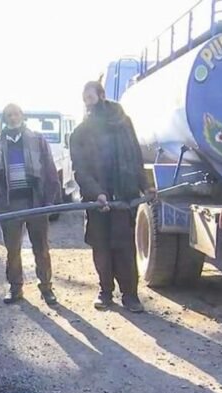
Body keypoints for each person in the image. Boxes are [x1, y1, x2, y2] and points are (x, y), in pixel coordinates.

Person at [70, 81, 156, 313]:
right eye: (84, 99)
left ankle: (130, 295)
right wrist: (96, 193)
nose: (88, 103)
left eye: (90, 97)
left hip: (124, 198)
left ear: (101, 95)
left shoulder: (123, 123)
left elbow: (136, 157)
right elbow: (80, 169)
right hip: (98, 201)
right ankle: (105, 292)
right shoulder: (81, 132)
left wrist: (145, 186)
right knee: (101, 247)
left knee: (125, 248)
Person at [0, 103, 61, 305]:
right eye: (9, 115)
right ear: (5, 119)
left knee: (41, 248)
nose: (13, 118)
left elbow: (50, 171)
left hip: (35, 202)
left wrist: (47, 201)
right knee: (12, 250)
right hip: (10, 205)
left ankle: (46, 288)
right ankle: (15, 288)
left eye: (16, 114)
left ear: (22, 116)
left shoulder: (37, 140)